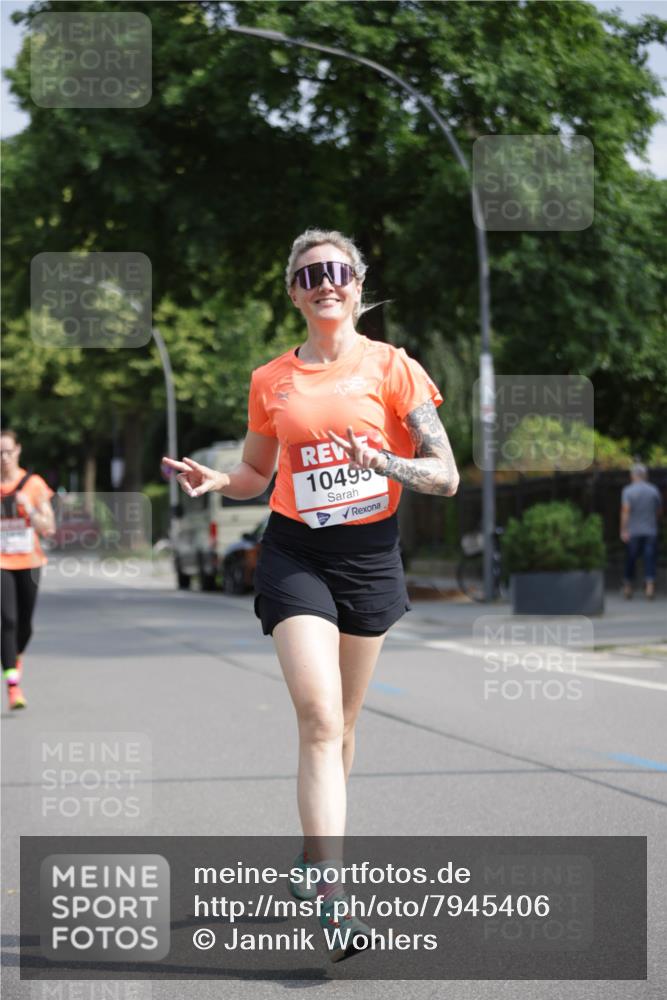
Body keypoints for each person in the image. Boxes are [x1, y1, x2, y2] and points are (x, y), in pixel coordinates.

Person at [163, 228, 459, 961]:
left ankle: (309, 858)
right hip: (295, 553)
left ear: (356, 284)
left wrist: (383, 461)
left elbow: (445, 474)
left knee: (345, 725)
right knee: (320, 718)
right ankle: (331, 895)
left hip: (370, 557)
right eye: (309, 274)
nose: (325, 282)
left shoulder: (393, 368)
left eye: (337, 270)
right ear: (294, 293)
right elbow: (255, 474)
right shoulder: (272, 380)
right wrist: (217, 480)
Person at [1, 429, 55, 709]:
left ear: (18, 450)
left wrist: (29, 509)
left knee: (25, 625)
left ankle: (14, 657)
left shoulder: (33, 484)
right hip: (1, 563)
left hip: (29, 562)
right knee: (7, 620)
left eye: (8, 451)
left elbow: (49, 527)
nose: (4, 457)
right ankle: (13, 685)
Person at [620, 463, 663, 599]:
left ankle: (628, 586)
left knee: (631, 558)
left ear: (632, 475)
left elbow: (625, 511)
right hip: (650, 530)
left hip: (633, 531)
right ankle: (650, 586)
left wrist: (623, 530)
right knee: (650, 558)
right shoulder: (654, 490)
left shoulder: (628, 491)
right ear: (645, 475)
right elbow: (659, 511)